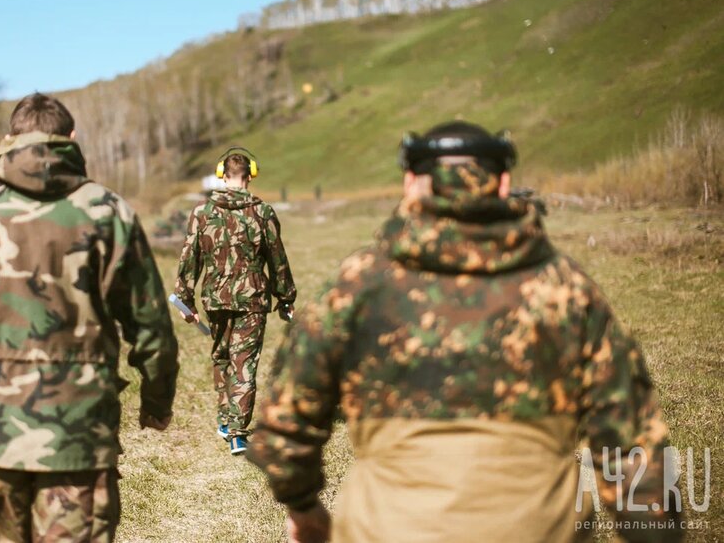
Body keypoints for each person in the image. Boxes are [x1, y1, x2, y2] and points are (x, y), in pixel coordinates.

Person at [247, 121, 683, 543]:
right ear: (504, 180)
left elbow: (284, 425)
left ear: (411, 183)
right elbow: (633, 443)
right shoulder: (566, 288)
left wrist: (305, 512)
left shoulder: (358, 285)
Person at [0, 93, 179, 543]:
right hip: (79, 429)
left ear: (9, 139)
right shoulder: (109, 212)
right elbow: (152, 328)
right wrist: (157, 401)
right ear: (71, 139)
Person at [174, 146, 296, 455]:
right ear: (250, 176)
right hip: (253, 299)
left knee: (222, 357)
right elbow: (277, 259)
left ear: (222, 175)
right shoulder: (263, 212)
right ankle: (237, 433)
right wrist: (286, 298)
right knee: (245, 364)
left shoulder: (202, 212)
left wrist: (185, 301)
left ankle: (228, 422)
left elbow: (190, 258)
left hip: (215, 299)